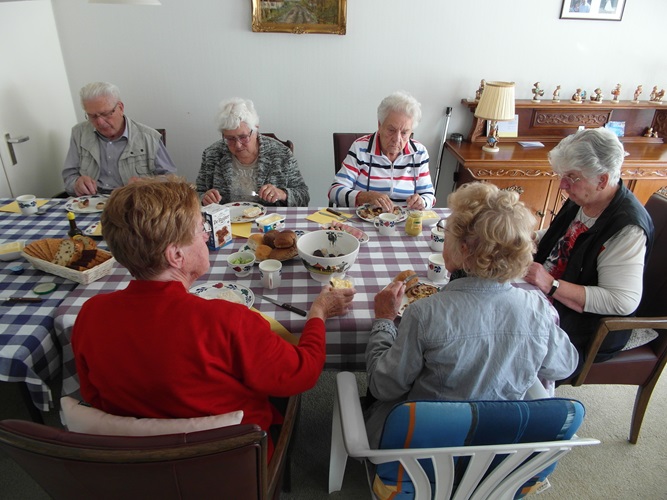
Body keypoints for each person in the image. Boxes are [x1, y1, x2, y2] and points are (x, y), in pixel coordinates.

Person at [71, 177, 355, 460]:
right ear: (176, 255)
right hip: (231, 467)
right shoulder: (227, 321)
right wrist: (318, 312)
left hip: (137, 468)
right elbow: (303, 373)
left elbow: (94, 398)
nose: (207, 234)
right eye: (200, 228)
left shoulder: (89, 314)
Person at [364, 182, 578, 447]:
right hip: (498, 446)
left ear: (463, 249)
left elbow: (383, 386)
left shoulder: (424, 313)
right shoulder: (538, 308)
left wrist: (384, 320)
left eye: (448, 231)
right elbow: (564, 365)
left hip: (426, 445)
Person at [525, 128, 654, 368]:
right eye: (562, 175)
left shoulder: (627, 228)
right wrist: (531, 237)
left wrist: (550, 284)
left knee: (506, 342)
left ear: (602, 180)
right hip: (547, 297)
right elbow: (564, 237)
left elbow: (622, 300)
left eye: (571, 177)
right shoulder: (584, 197)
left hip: (586, 328)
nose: (563, 184)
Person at [62, 82, 176, 197]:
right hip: (90, 203)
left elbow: (172, 180)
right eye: (92, 116)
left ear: (120, 108)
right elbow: (69, 177)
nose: (100, 122)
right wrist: (76, 183)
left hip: (134, 202)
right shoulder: (79, 133)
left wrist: (147, 184)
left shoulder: (150, 137)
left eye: (105, 114)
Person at [328, 91, 435, 213]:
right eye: (391, 130)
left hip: (405, 224)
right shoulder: (360, 148)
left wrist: (422, 202)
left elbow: (429, 196)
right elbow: (334, 191)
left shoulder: (419, 153)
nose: (397, 139)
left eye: (404, 132)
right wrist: (365, 196)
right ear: (380, 125)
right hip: (365, 221)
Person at [196, 98, 309, 207]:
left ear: (255, 129)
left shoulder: (281, 154)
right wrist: (203, 198)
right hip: (226, 222)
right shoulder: (212, 154)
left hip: (269, 223)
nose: (238, 145)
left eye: (243, 137)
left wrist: (282, 194)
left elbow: (303, 197)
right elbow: (195, 194)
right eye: (230, 138)